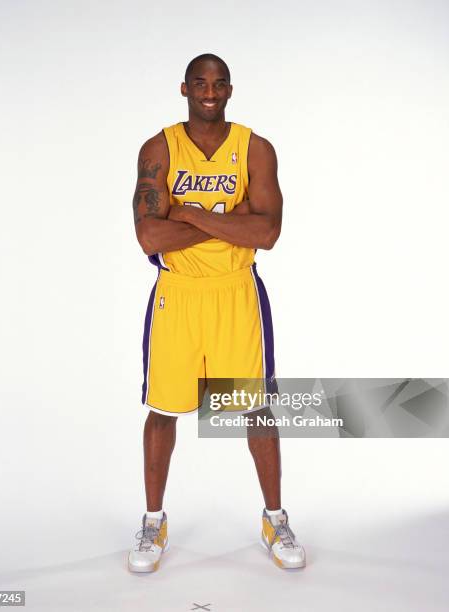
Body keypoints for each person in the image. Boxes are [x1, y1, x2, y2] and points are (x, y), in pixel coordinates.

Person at [128, 53, 306, 572]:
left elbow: (267, 233)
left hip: (235, 293)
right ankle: (153, 521)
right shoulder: (159, 148)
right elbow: (148, 234)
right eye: (200, 83)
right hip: (177, 293)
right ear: (183, 88)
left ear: (230, 90)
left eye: (219, 83)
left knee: (256, 409)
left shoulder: (255, 148)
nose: (210, 91)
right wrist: (228, 219)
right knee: (162, 409)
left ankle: (275, 517)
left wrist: (187, 212)